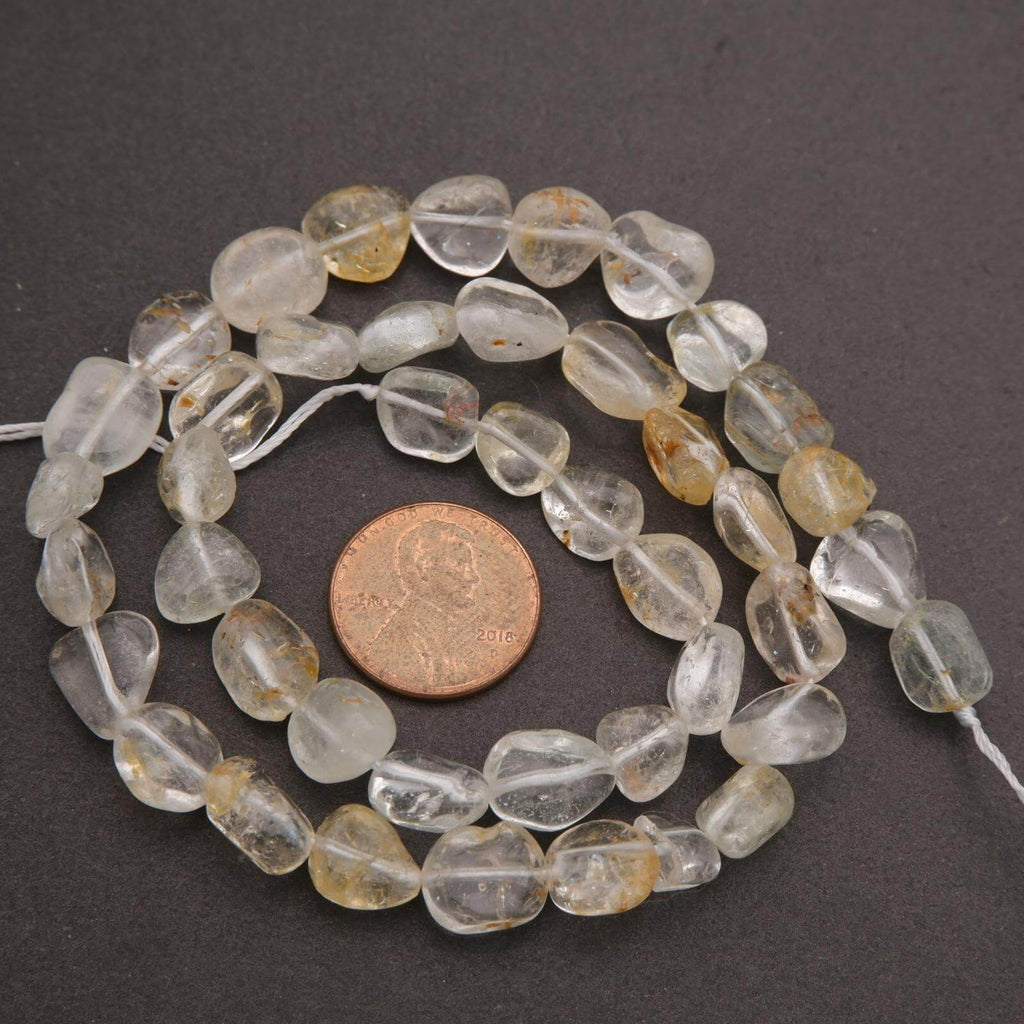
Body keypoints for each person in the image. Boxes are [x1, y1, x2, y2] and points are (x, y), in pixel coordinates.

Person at [366, 518, 481, 688]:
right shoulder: (402, 642)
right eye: (460, 563)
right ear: (424, 568)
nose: (473, 578)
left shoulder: (440, 630)